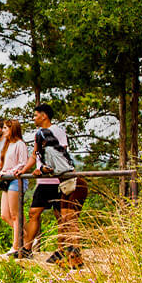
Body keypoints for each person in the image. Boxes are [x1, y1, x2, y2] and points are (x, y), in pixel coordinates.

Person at [25, 103, 88, 266]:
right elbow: (37, 157)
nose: (33, 118)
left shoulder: (56, 137)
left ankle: (74, 256)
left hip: (71, 183)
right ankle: (68, 255)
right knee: (64, 218)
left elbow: (59, 161)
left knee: (68, 220)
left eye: (36, 115)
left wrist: (44, 169)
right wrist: (34, 169)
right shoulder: (40, 137)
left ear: (44, 115)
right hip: (63, 184)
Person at [0, 117, 31, 256]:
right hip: (7, 180)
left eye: (5, 128)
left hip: (16, 180)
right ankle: (27, 237)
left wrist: (5, 172)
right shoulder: (7, 145)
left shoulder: (20, 144)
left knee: (15, 215)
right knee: (4, 214)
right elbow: (3, 163)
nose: (3, 130)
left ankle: (16, 246)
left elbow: (22, 164)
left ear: (12, 129)